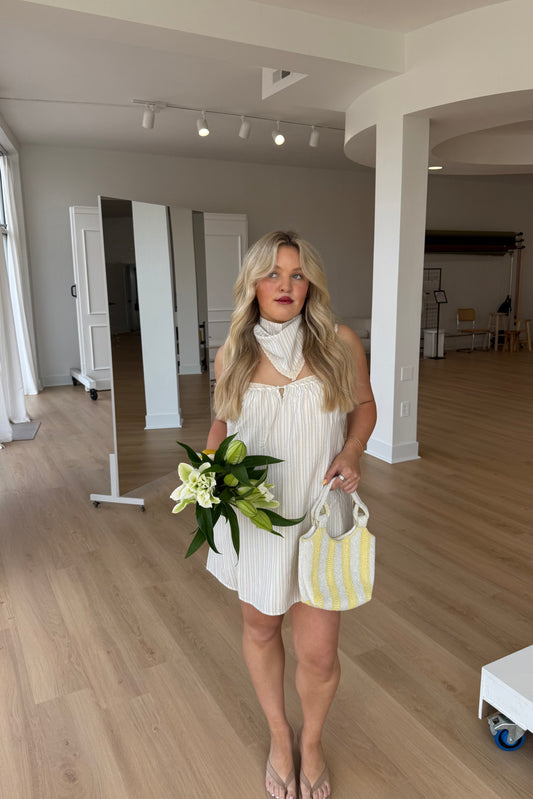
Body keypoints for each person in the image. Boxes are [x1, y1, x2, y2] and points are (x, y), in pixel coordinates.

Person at [204, 231, 376, 799]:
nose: (285, 285)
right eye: (273, 274)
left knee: (321, 651)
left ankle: (313, 742)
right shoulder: (232, 352)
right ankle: (281, 736)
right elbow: (223, 425)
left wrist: (351, 451)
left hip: (320, 514)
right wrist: (205, 471)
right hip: (256, 516)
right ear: (253, 284)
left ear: (311, 285)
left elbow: (365, 406)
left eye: (297, 275)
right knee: (260, 627)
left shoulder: (339, 342)